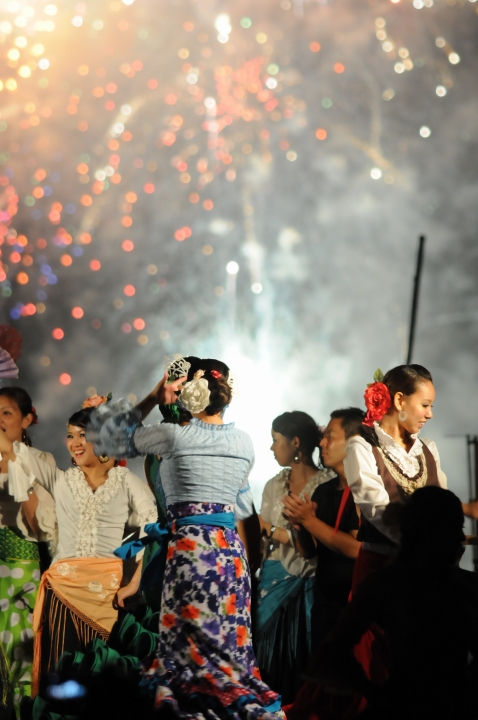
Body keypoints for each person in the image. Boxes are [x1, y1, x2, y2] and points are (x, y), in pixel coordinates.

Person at [86, 357, 283, 719]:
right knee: (226, 651)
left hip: (192, 554)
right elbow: (244, 509)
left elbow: (104, 437)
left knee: (189, 656)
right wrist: (250, 568)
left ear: (187, 391)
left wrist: (152, 395)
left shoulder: (174, 435)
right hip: (230, 558)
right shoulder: (244, 443)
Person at [0, 397, 158, 696]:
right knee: (63, 681)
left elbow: (152, 526)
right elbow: (12, 447)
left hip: (109, 598)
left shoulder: (125, 481)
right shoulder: (60, 480)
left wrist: (134, 581)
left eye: (83, 434)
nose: (74, 442)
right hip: (63, 595)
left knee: (103, 686)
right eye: (70, 435)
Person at [315, 486, 478, 720]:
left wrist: (379, 697)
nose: (461, 539)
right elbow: (334, 650)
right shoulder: (393, 584)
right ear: (431, 533)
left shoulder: (386, 583)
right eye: (453, 529)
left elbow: (333, 649)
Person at [255, 411, 329, 704]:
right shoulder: (275, 485)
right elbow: (261, 538)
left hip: (312, 580)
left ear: (295, 443)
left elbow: (314, 540)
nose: (272, 448)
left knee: (306, 658)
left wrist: (270, 529)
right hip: (272, 579)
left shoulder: (328, 485)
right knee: (267, 658)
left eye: (276, 441)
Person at [282, 408, 363, 649]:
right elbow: (309, 552)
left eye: (330, 436)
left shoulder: (365, 491)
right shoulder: (323, 491)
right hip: (325, 603)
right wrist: (300, 527)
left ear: (354, 442)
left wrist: (310, 522)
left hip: (356, 605)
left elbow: (357, 549)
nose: (322, 442)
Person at [0, 387, 56, 713]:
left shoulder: (40, 463)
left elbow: (41, 527)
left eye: (7, 413)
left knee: (22, 661)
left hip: (22, 570)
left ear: (27, 419)